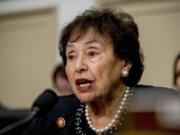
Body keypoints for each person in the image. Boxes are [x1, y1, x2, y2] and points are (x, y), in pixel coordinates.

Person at [22, 8, 180, 135]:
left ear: (125, 63)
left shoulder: (160, 107)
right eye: (71, 56)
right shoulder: (57, 112)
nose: (78, 66)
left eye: (92, 53)